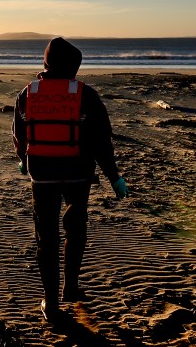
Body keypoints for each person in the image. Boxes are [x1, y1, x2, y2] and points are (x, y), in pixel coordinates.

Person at [12, 37, 129, 321]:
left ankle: (51, 304)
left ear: (46, 62)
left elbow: (19, 132)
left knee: (47, 237)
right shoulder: (85, 94)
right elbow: (102, 141)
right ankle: (71, 288)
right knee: (75, 231)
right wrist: (114, 177)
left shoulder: (28, 93)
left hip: (42, 176)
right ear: (73, 66)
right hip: (78, 175)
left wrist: (22, 159)